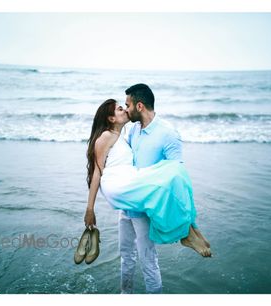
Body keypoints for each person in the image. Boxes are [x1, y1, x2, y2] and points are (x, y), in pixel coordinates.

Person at [84, 85, 211, 294]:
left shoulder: (168, 134)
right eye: (121, 108)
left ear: (139, 106)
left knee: (146, 259)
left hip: (142, 207)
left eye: (127, 105)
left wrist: (191, 222)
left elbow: (176, 182)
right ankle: (127, 294)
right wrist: (90, 208)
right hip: (126, 201)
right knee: (127, 255)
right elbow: (100, 169)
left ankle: (188, 232)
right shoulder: (129, 131)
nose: (125, 109)